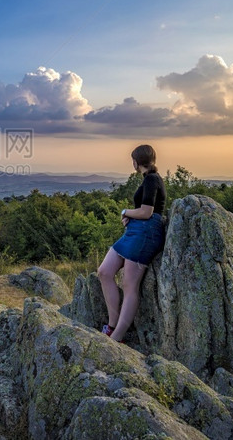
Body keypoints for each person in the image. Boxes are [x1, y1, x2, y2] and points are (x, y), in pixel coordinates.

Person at [97, 144, 166, 342]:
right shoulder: (148, 179)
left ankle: (116, 337)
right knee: (104, 272)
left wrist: (125, 212)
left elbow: (147, 212)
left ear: (136, 162)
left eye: (132, 160)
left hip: (146, 232)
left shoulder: (152, 179)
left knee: (129, 285)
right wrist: (130, 217)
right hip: (135, 230)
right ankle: (112, 324)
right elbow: (142, 212)